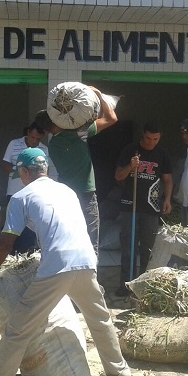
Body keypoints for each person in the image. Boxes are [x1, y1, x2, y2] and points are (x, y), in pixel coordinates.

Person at [0, 148, 135, 376]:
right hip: (86, 259)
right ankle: (120, 374)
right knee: (99, 318)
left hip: (57, 267)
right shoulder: (67, 191)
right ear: (46, 170)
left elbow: (5, 244)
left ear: (24, 173)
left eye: (20, 174)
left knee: (17, 331)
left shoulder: (21, 197)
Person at [34, 86, 117, 254]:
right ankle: (90, 277)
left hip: (66, 197)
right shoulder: (79, 133)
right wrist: (99, 94)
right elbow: (112, 118)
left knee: (70, 240)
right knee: (91, 241)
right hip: (86, 195)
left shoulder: (53, 145)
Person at [114, 121, 173, 296]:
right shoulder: (130, 150)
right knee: (128, 247)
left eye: (156, 139)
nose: (151, 143)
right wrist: (131, 166)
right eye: (148, 138)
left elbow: (168, 180)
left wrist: (167, 199)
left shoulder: (162, 154)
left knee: (149, 248)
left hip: (151, 207)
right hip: (129, 205)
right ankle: (126, 284)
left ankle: (146, 286)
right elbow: (118, 176)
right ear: (143, 135)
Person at [1, 121, 56, 254]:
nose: (34, 141)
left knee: (30, 230)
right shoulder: (14, 144)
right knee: (12, 229)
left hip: (34, 195)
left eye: (38, 139)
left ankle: (26, 258)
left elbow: (46, 173)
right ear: (28, 133)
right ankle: (11, 257)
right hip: (14, 193)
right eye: (32, 137)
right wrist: (20, 169)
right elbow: (4, 165)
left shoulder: (44, 150)